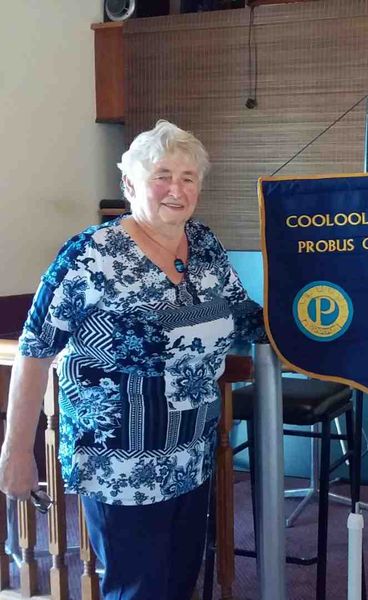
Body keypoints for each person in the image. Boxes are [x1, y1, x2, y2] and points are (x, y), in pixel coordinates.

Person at [0, 120, 265, 600]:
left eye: (188, 177)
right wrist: (17, 451)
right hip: (120, 464)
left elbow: (244, 316)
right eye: (162, 175)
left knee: (179, 583)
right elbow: (36, 349)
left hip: (191, 454)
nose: (176, 189)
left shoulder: (205, 246)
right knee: (139, 589)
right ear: (129, 184)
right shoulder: (93, 256)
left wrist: (317, 324)